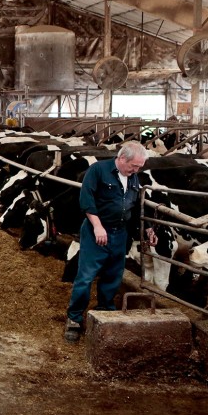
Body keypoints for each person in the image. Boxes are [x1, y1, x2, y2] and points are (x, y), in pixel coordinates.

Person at [64, 141, 157, 342]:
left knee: (113, 275)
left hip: (120, 233)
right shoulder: (98, 170)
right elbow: (86, 199)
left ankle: (104, 310)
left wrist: (148, 227)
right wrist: (97, 226)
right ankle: (74, 318)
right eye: (134, 166)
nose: (136, 170)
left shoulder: (134, 178)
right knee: (86, 276)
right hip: (96, 231)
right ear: (122, 158)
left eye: (140, 167)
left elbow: (139, 204)